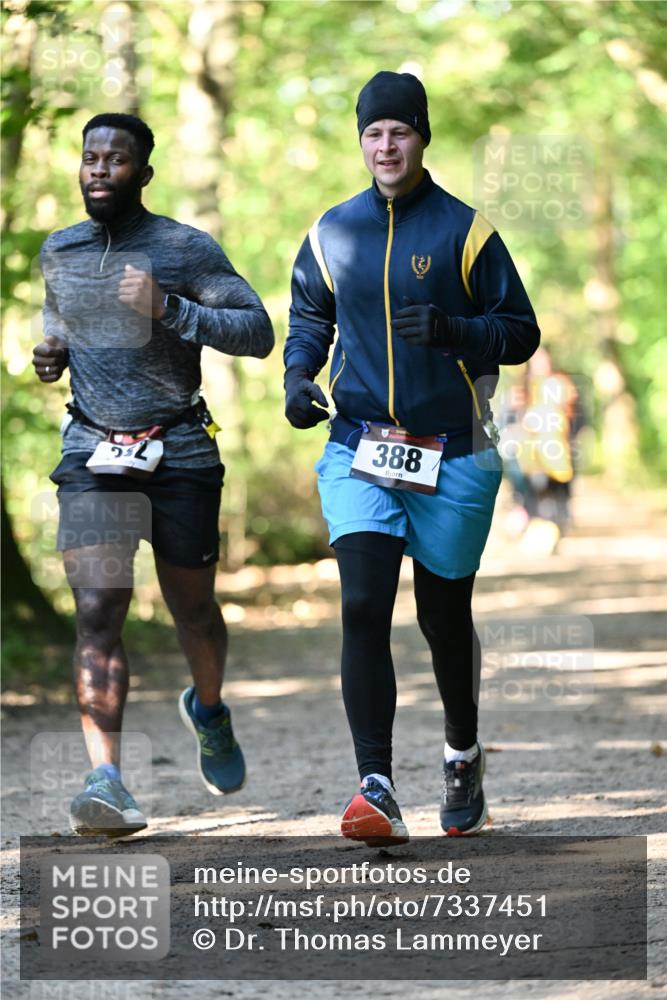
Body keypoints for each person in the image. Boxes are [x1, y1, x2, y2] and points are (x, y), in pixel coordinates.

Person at [284, 72, 540, 845]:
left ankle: (462, 754)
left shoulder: (466, 231)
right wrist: (298, 377)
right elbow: (308, 316)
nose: (385, 145)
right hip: (361, 444)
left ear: (421, 137)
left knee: (442, 616)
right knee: (363, 602)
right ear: (360, 142)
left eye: (398, 131)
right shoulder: (331, 232)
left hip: (453, 453)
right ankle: (375, 787)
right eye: (372, 133)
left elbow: (520, 332)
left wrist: (458, 332)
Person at [33, 113, 274, 836]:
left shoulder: (183, 247)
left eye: (115, 159)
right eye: (90, 157)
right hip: (92, 453)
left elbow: (258, 332)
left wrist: (171, 308)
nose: (99, 169)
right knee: (98, 612)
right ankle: (105, 780)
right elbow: (62, 321)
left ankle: (208, 707)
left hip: (180, 450)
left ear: (144, 172)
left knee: (192, 612)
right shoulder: (61, 249)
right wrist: (53, 352)